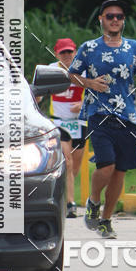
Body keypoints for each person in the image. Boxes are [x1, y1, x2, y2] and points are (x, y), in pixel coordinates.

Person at [68, 0, 136, 238]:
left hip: (127, 115)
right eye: (110, 16)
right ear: (101, 19)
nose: (115, 20)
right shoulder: (89, 48)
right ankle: (93, 202)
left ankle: (106, 220)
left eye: (119, 16)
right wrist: (90, 83)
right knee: (107, 165)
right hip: (98, 113)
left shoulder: (134, 47)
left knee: (120, 171)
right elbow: (71, 73)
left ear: (123, 21)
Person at [48, 38, 86, 218]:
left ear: (75, 52)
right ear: (57, 54)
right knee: (67, 162)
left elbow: (98, 92)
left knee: (74, 167)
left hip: (79, 122)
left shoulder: (84, 69)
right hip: (59, 122)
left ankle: (64, 194)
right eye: (63, 53)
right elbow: (39, 91)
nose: (67, 56)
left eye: (70, 52)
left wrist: (83, 103)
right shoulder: (51, 70)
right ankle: (70, 204)